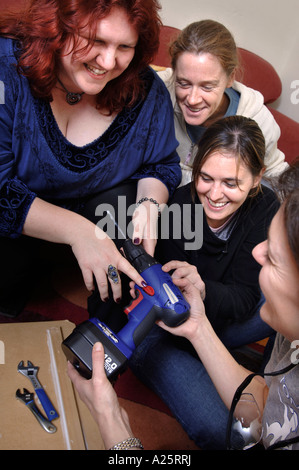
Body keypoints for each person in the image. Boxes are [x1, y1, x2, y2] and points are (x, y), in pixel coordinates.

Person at [68, 157, 299, 450]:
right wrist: (199, 329)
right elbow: (266, 403)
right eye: (207, 178)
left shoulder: (260, 207)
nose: (258, 253)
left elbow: (242, 298)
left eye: (275, 257)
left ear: (256, 179)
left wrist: (111, 422)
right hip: (187, 326)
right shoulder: (289, 340)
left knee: (224, 433)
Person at [0, 0, 181, 317]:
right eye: (96, 41)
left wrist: (150, 206)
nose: (108, 62)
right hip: (16, 234)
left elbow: (161, 164)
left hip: (100, 225)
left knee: (132, 204)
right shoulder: (6, 69)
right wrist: (80, 232)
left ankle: (113, 334)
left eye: (125, 47)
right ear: (57, 29)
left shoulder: (145, 90)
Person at [157, 19, 288, 186]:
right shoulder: (157, 91)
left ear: (230, 78)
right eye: (183, 83)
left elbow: (277, 177)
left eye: (207, 87)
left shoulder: (259, 121)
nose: (192, 99)